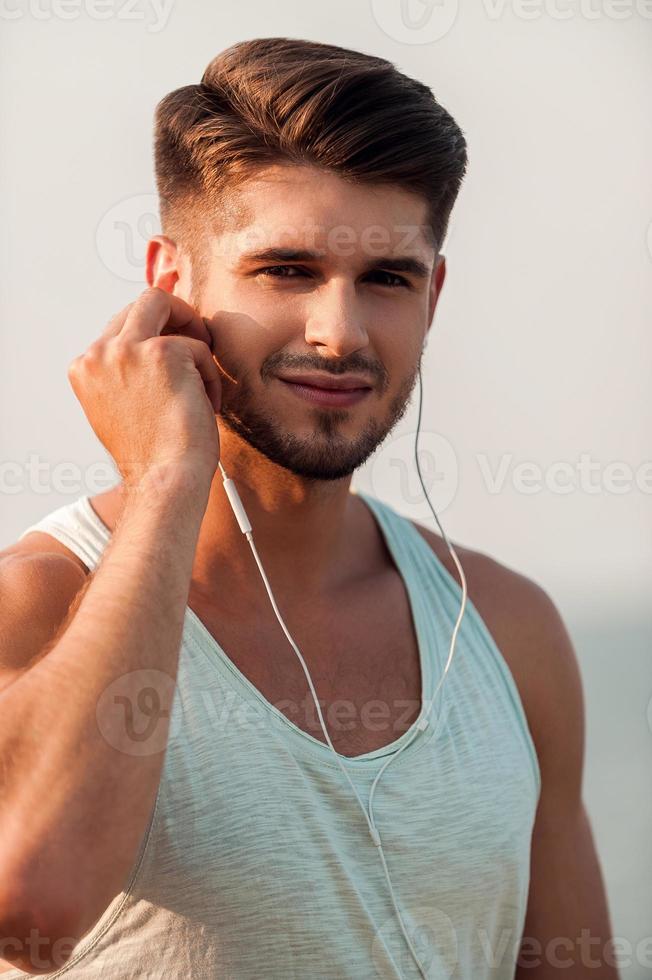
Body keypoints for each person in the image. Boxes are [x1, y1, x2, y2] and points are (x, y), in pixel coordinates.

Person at [0, 37, 618, 979]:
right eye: (285, 270)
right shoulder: (35, 602)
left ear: (434, 295)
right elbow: (29, 909)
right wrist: (165, 478)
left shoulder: (503, 628)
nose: (340, 332)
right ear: (172, 283)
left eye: (387, 278)